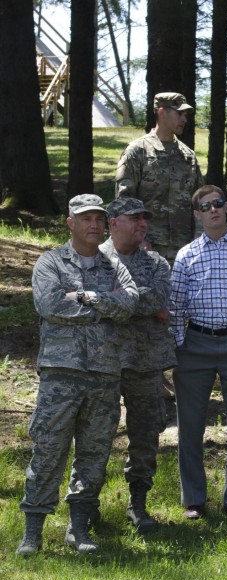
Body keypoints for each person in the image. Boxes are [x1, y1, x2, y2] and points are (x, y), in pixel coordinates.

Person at [16, 195, 138, 556]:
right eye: (86, 218)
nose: (95, 225)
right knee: (49, 451)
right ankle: (33, 531)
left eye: (100, 219)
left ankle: (79, 528)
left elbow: (130, 303)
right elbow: (51, 305)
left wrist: (85, 297)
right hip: (61, 374)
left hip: (103, 375)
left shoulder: (114, 266)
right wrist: (104, 306)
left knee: (94, 454)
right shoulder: (50, 262)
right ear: (70, 223)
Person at [169, 185, 227, 521]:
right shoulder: (186, 255)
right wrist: (179, 345)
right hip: (195, 345)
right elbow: (176, 306)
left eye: (218, 204)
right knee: (190, 426)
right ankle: (194, 498)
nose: (213, 210)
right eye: (205, 207)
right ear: (197, 214)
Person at [100, 197, 176, 533]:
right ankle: (86, 508)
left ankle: (138, 504)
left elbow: (159, 298)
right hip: (103, 362)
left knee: (146, 436)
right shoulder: (93, 259)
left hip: (146, 363)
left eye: (145, 218)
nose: (143, 224)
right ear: (114, 222)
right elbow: (90, 298)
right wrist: (134, 300)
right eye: (134, 218)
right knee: (96, 436)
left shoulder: (157, 262)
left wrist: (115, 298)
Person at [115, 92, 204, 263]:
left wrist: (199, 240)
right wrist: (138, 239)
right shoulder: (138, 151)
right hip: (146, 249)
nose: (184, 119)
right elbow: (124, 201)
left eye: (185, 115)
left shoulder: (188, 156)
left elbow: (199, 202)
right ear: (162, 112)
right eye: (179, 113)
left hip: (184, 251)